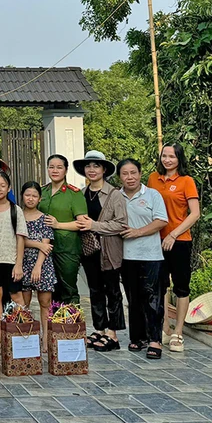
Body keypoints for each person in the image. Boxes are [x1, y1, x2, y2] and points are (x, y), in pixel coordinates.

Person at [73, 151, 128, 352]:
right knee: (95, 291)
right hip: (89, 250)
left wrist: (95, 225)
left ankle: (113, 333)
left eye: (96, 166)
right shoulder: (80, 194)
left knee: (112, 291)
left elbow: (121, 224)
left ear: (104, 169)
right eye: (88, 166)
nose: (92, 170)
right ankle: (99, 328)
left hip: (109, 250)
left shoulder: (114, 195)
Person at [148, 143, 200, 353]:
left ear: (179, 159)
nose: (167, 160)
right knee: (160, 286)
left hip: (179, 241)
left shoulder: (186, 181)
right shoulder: (153, 179)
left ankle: (178, 332)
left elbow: (195, 213)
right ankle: (164, 328)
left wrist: (173, 234)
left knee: (181, 286)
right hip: (155, 240)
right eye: (164, 156)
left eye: (171, 156)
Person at [118, 158, 168, 359]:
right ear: (120, 176)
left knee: (152, 297)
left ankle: (155, 340)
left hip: (150, 255)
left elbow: (161, 221)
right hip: (126, 256)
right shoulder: (116, 196)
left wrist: (138, 232)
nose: (129, 177)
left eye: (133, 173)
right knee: (133, 298)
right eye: (125, 173)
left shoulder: (152, 195)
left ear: (140, 174)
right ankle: (138, 337)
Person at [38, 154, 87, 304]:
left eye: (59, 167)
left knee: (68, 289)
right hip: (44, 248)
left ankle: (72, 324)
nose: (55, 170)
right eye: (51, 167)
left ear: (65, 170)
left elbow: (83, 223)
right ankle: (54, 325)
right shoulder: (42, 191)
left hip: (67, 248)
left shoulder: (74, 193)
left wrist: (58, 225)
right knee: (50, 290)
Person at [0, 170, 27, 322]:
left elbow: (21, 238)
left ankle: (21, 332)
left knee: (16, 296)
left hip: (11, 260)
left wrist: (19, 264)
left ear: (9, 188)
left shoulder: (16, 210)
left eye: (3, 185)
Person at [20, 181, 57, 353]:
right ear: (22, 196)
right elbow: (18, 241)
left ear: (39, 198)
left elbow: (47, 245)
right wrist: (37, 244)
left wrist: (38, 267)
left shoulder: (45, 218)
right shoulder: (17, 216)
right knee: (24, 303)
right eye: (28, 195)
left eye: (34, 196)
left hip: (42, 265)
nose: (31, 198)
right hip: (22, 263)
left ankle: (45, 341)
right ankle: (26, 340)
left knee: (45, 303)